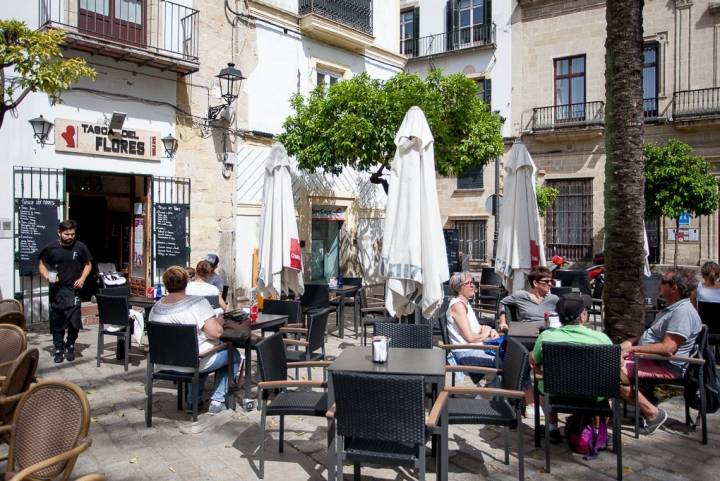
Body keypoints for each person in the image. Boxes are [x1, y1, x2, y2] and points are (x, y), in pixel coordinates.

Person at [149, 266, 241, 415]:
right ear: (186, 281)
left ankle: (193, 401)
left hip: (163, 362)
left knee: (200, 355)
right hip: (191, 362)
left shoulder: (155, 308)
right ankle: (217, 401)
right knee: (233, 355)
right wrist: (219, 322)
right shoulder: (197, 303)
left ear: (166, 284)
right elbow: (215, 333)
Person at [619, 268, 702, 435]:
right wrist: (630, 342)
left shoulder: (682, 312)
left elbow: (668, 348)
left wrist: (633, 349)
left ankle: (652, 413)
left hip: (666, 365)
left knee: (608, 372)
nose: (658, 284)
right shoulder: (673, 308)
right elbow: (652, 336)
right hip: (650, 359)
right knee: (609, 362)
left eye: (663, 281)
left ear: (674, 288)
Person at [530, 292, 612, 443]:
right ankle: (597, 431)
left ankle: (552, 428)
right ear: (583, 316)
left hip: (556, 394)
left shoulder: (547, 337)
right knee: (608, 387)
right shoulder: (602, 339)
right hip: (593, 396)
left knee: (541, 382)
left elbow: (535, 360)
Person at [38, 219, 92, 364]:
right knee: (58, 321)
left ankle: (71, 345)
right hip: (57, 290)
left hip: (74, 290)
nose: (70, 237)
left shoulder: (80, 247)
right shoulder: (51, 248)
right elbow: (42, 264)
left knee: (74, 321)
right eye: (67, 234)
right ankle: (58, 348)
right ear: (59, 233)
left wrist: (82, 278)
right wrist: (47, 276)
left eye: (72, 234)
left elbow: (88, 264)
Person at [446, 271, 501, 383]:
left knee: (513, 360)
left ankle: (488, 395)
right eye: (468, 283)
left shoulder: (465, 303)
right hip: (465, 353)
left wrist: (491, 330)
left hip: (477, 348)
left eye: (473, 282)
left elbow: (476, 327)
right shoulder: (458, 306)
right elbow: (470, 338)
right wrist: (485, 335)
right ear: (459, 287)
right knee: (511, 365)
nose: (472, 285)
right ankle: (489, 396)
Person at [497, 266, 559, 333]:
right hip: (526, 332)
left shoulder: (554, 299)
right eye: (546, 281)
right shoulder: (521, 296)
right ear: (535, 283)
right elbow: (502, 303)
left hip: (548, 332)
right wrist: (502, 322)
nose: (550, 284)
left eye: (551, 281)